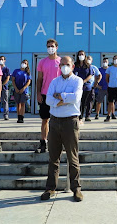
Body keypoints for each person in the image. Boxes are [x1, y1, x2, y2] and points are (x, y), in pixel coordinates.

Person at [40, 56, 84, 202]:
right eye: (62, 64)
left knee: (73, 158)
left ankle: (76, 189)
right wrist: (64, 100)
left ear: (73, 66)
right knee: (53, 158)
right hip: (54, 122)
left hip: (70, 122)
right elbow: (48, 100)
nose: (65, 66)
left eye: (67, 64)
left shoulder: (77, 81)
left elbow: (76, 98)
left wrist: (59, 98)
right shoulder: (54, 81)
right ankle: (50, 188)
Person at [35, 39, 61, 154]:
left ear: (56, 47)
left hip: (58, 95)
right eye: (48, 46)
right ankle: (43, 142)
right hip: (45, 94)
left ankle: (58, 143)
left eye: (52, 46)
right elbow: (39, 79)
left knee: (59, 120)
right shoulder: (42, 62)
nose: (50, 48)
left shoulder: (61, 62)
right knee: (45, 120)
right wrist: (38, 93)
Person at [73, 50, 94, 122]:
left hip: (86, 87)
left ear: (85, 56)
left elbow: (90, 75)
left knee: (84, 102)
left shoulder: (88, 65)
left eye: (82, 54)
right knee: (77, 101)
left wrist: (83, 81)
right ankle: (77, 116)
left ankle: (81, 117)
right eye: (80, 54)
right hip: (77, 87)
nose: (81, 55)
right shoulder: (75, 65)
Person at [105, 55, 117, 122]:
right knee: (110, 102)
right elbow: (107, 78)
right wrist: (110, 83)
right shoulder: (109, 68)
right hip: (111, 87)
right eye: (114, 59)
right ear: (113, 60)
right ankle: (108, 116)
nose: (116, 60)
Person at [12, 59, 32, 123]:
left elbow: (29, 81)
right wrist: (16, 88)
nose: (24, 64)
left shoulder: (27, 72)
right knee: (18, 104)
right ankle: (18, 116)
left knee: (23, 103)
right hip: (17, 89)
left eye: (25, 63)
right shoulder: (16, 71)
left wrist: (24, 88)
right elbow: (13, 80)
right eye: (23, 62)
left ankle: (22, 117)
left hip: (24, 91)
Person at [0, 56, 11, 120]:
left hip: (4, 88)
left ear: (5, 60)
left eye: (2, 59)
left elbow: (8, 78)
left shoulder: (6, 69)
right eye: (0, 59)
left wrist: (2, 84)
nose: (1, 60)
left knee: (5, 101)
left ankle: (6, 115)